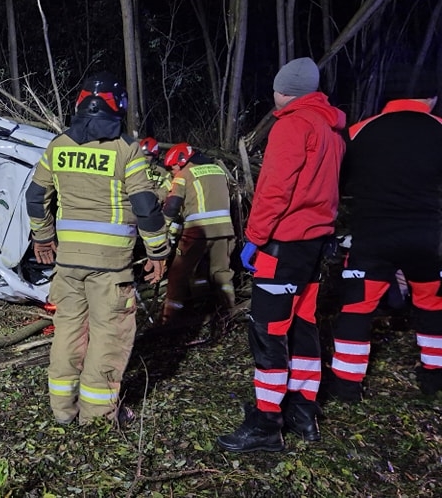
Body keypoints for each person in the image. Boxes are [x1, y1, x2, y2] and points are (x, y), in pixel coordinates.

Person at [25, 72, 170, 425]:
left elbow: (35, 195)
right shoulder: (126, 150)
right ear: (117, 107)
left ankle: (63, 411)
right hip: (111, 266)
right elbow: (146, 207)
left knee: (68, 332)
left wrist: (43, 237)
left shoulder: (58, 147)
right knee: (109, 335)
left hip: (69, 262)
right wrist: (158, 253)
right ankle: (98, 415)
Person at [217, 57, 346, 453]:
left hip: (283, 243)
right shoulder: (332, 128)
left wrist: (254, 237)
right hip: (313, 244)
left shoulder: (293, 125)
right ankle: (302, 412)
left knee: (268, 330)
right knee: (304, 324)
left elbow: (275, 189)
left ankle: (266, 422)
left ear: (283, 90)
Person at [326, 65, 442, 402]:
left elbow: (339, 182)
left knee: (356, 308)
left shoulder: (359, 131)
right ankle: (433, 376)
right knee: (432, 305)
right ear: (430, 97)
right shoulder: (438, 128)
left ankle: (347, 385)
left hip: (372, 236)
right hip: (426, 237)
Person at [158, 142, 235, 325]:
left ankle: (169, 321)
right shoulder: (218, 171)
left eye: (173, 166)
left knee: (178, 275)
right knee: (222, 273)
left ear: (183, 160)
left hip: (197, 231)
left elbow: (172, 207)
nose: (172, 171)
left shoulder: (184, 175)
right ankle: (229, 311)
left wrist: (163, 232)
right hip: (224, 230)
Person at [140, 136, 172, 202]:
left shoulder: (162, 171)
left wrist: (155, 198)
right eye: (143, 155)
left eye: (148, 155)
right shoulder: (134, 169)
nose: (145, 157)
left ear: (155, 156)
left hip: (155, 203)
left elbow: (167, 187)